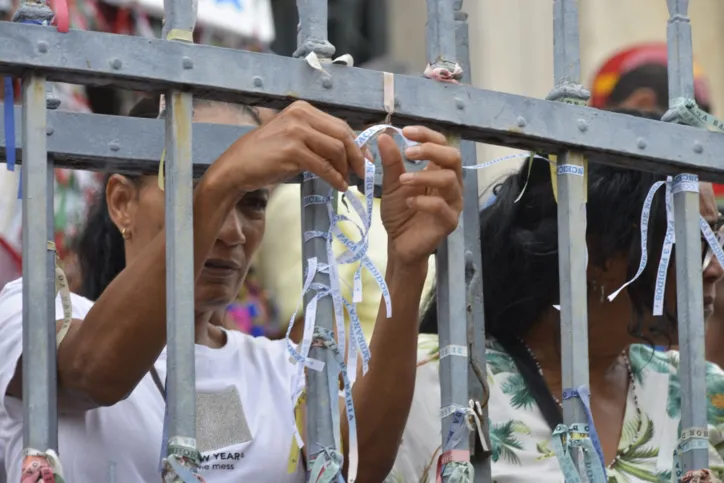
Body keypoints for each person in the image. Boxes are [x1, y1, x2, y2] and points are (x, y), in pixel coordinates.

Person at [0, 98, 464, 482]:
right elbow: (93, 374)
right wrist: (225, 178)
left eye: (254, 202)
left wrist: (407, 267)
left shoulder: (276, 369)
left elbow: (356, 469)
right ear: (122, 203)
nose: (234, 232)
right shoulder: (32, 311)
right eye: (195, 189)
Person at [387, 110, 724, 483]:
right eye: (695, 242)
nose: (714, 269)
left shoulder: (703, 393)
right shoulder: (439, 378)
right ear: (600, 254)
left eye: (716, 238)